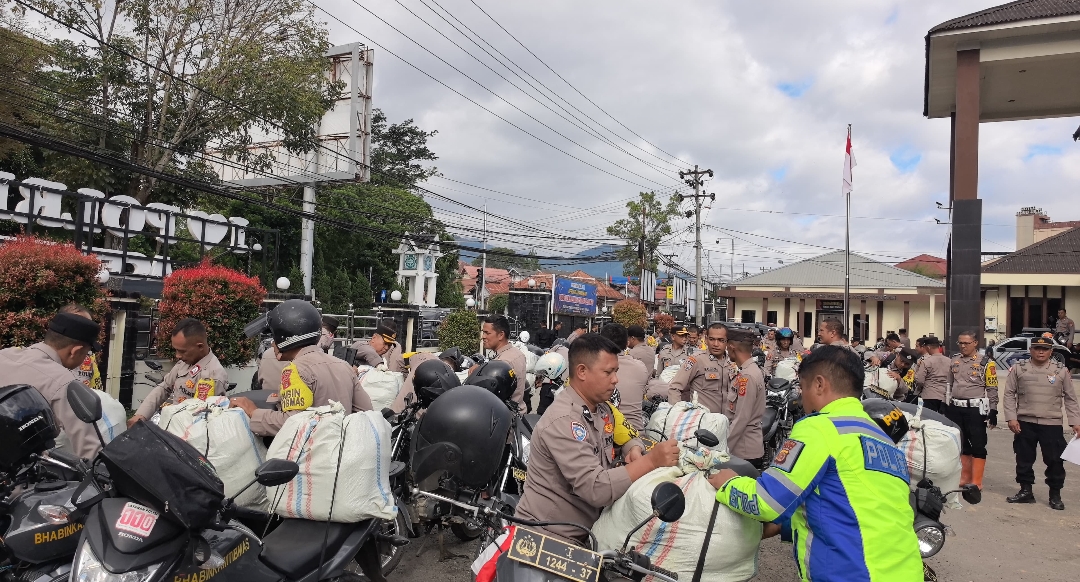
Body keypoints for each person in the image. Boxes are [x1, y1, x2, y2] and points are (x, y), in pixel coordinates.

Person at [709, 345, 923, 581]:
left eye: (802, 386)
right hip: (907, 571)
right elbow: (855, 507)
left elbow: (766, 501)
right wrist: (788, 523)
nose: (801, 396)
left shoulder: (820, 427)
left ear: (819, 384)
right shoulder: (881, 437)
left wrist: (728, 483)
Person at [514, 334, 680, 545]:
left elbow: (627, 437)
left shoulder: (602, 409)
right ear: (582, 371)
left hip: (588, 531)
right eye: (608, 372)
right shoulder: (563, 420)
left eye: (616, 371)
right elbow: (596, 489)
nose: (615, 379)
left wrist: (633, 449)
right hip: (549, 536)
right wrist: (651, 461)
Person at [231, 300, 372, 436]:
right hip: (340, 452)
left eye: (274, 338)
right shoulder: (344, 366)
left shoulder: (295, 370)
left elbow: (292, 423)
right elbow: (366, 412)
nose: (272, 344)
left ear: (284, 338)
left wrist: (253, 412)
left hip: (308, 455)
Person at [0, 308, 104, 459]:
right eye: (87, 352)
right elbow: (90, 449)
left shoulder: (5, 354)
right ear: (75, 351)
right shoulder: (62, 382)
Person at [1003, 336, 1080, 510]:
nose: (1040, 352)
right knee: (1023, 458)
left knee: (1054, 461)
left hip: (1051, 423)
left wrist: (1075, 422)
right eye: (1037, 348)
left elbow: (1070, 398)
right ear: (1030, 350)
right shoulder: (1018, 369)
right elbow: (1009, 393)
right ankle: (1025, 491)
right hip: (1024, 422)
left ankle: (1055, 495)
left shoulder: (1061, 371)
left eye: (1044, 349)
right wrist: (1011, 417)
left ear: (1051, 352)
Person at [130, 318, 229, 425]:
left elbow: (204, 419)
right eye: (176, 350)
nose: (177, 356)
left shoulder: (213, 375)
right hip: (171, 424)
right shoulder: (185, 362)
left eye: (182, 351)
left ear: (200, 346)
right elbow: (164, 387)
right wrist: (141, 415)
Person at [945, 330, 998, 491]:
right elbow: (949, 384)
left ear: (975, 343)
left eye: (966, 343)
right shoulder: (954, 361)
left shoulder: (986, 363)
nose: (963, 346)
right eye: (960, 343)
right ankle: (964, 477)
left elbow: (992, 388)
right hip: (955, 407)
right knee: (961, 443)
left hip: (975, 409)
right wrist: (944, 404)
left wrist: (993, 410)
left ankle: (976, 481)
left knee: (978, 444)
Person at [667, 323, 733, 414]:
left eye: (721, 340)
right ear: (705, 339)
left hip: (727, 422)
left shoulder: (732, 362)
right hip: (702, 422)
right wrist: (678, 414)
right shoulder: (696, 360)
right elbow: (675, 387)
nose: (716, 344)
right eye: (711, 339)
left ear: (727, 342)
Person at [724, 329, 767, 465]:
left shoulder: (747, 376)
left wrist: (723, 447)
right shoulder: (749, 371)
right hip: (744, 447)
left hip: (743, 450)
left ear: (731, 347)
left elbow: (741, 418)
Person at [600, 323, 649, 431]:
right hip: (636, 432)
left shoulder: (595, 367)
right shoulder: (640, 367)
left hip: (606, 434)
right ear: (627, 343)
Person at [483, 315, 528, 414]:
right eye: (483, 332)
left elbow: (492, 397)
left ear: (501, 335)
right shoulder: (517, 353)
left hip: (507, 418)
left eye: (487, 333)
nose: (483, 337)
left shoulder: (502, 363)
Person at [913, 336, 950, 412]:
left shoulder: (926, 362)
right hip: (944, 397)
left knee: (928, 420)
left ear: (928, 347)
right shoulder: (949, 361)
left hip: (929, 395)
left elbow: (919, 380)